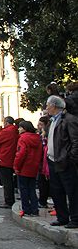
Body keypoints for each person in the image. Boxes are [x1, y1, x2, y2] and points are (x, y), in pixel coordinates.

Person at [45, 95, 78, 228]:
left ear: (54, 106)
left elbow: (75, 142)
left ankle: (75, 219)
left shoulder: (69, 120)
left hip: (65, 162)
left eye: (48, 105)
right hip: (53, 160)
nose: (46, 107)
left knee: (72, 191)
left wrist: (70, 159)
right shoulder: (52, 121)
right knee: (57, 191)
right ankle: (62, 217)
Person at [14, 120, 42, 216]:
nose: (18, 129)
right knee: (32, 189)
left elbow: (20, 154)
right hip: (34, 167)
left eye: (20, 127)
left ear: (24, 128)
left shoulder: (23, 138)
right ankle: (35, 209)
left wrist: (16, 166)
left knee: (24, 190)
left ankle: (26, 209)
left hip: (24, 167)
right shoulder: (37, 138)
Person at [0, 116, 19, 208]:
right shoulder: (15, 130)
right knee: (10, 182)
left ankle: (8, 201)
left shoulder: (7, 131)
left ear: (6, 122)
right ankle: (10, 200)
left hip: (4, 158)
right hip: (11, 158)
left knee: (6, 182)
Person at [37, 116, 51, 208]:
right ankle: (42, 200)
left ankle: (43, 201)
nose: (38, 126)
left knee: (44, 183)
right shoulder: (40, 135)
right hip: (41, 163)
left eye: (41, 124)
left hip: (46, 163)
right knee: (42, 183)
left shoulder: (46, 137)